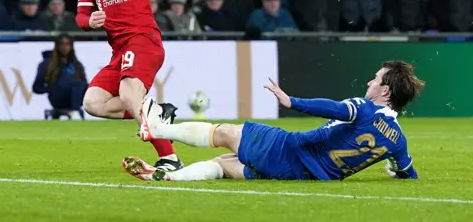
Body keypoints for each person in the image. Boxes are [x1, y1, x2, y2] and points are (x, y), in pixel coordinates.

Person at [126, 60, 423, 182]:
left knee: (228, 132)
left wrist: (292, 101)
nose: (369, 82)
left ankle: (158, 128)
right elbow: (408, 174)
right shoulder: (398, 141)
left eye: (376, 79)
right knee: (225, 164)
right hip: (302, 175)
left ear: (385, 91)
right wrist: (395, 172)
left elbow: (333, 108)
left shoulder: (364, 108)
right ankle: (169, 177)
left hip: (291, 149)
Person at [76, 0, 194, 171]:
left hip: (143, 40)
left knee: (130, 92)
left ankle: (170, 157)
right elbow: (81, 16)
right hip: (119, 51)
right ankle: (157, 113)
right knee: (92, 103)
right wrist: (89, 21)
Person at [32, 35, 88, 120]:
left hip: (75, 97)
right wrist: (52, 88)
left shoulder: (77, 65)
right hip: (57, 97)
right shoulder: (47, 63)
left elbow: (83, 84)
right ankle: (75, 112)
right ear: (57, 46)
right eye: (62, 44)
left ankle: (75, 111)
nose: (65, 47)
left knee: (84, 85)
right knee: (76, 83)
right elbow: (36, 88)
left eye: (67, 44)